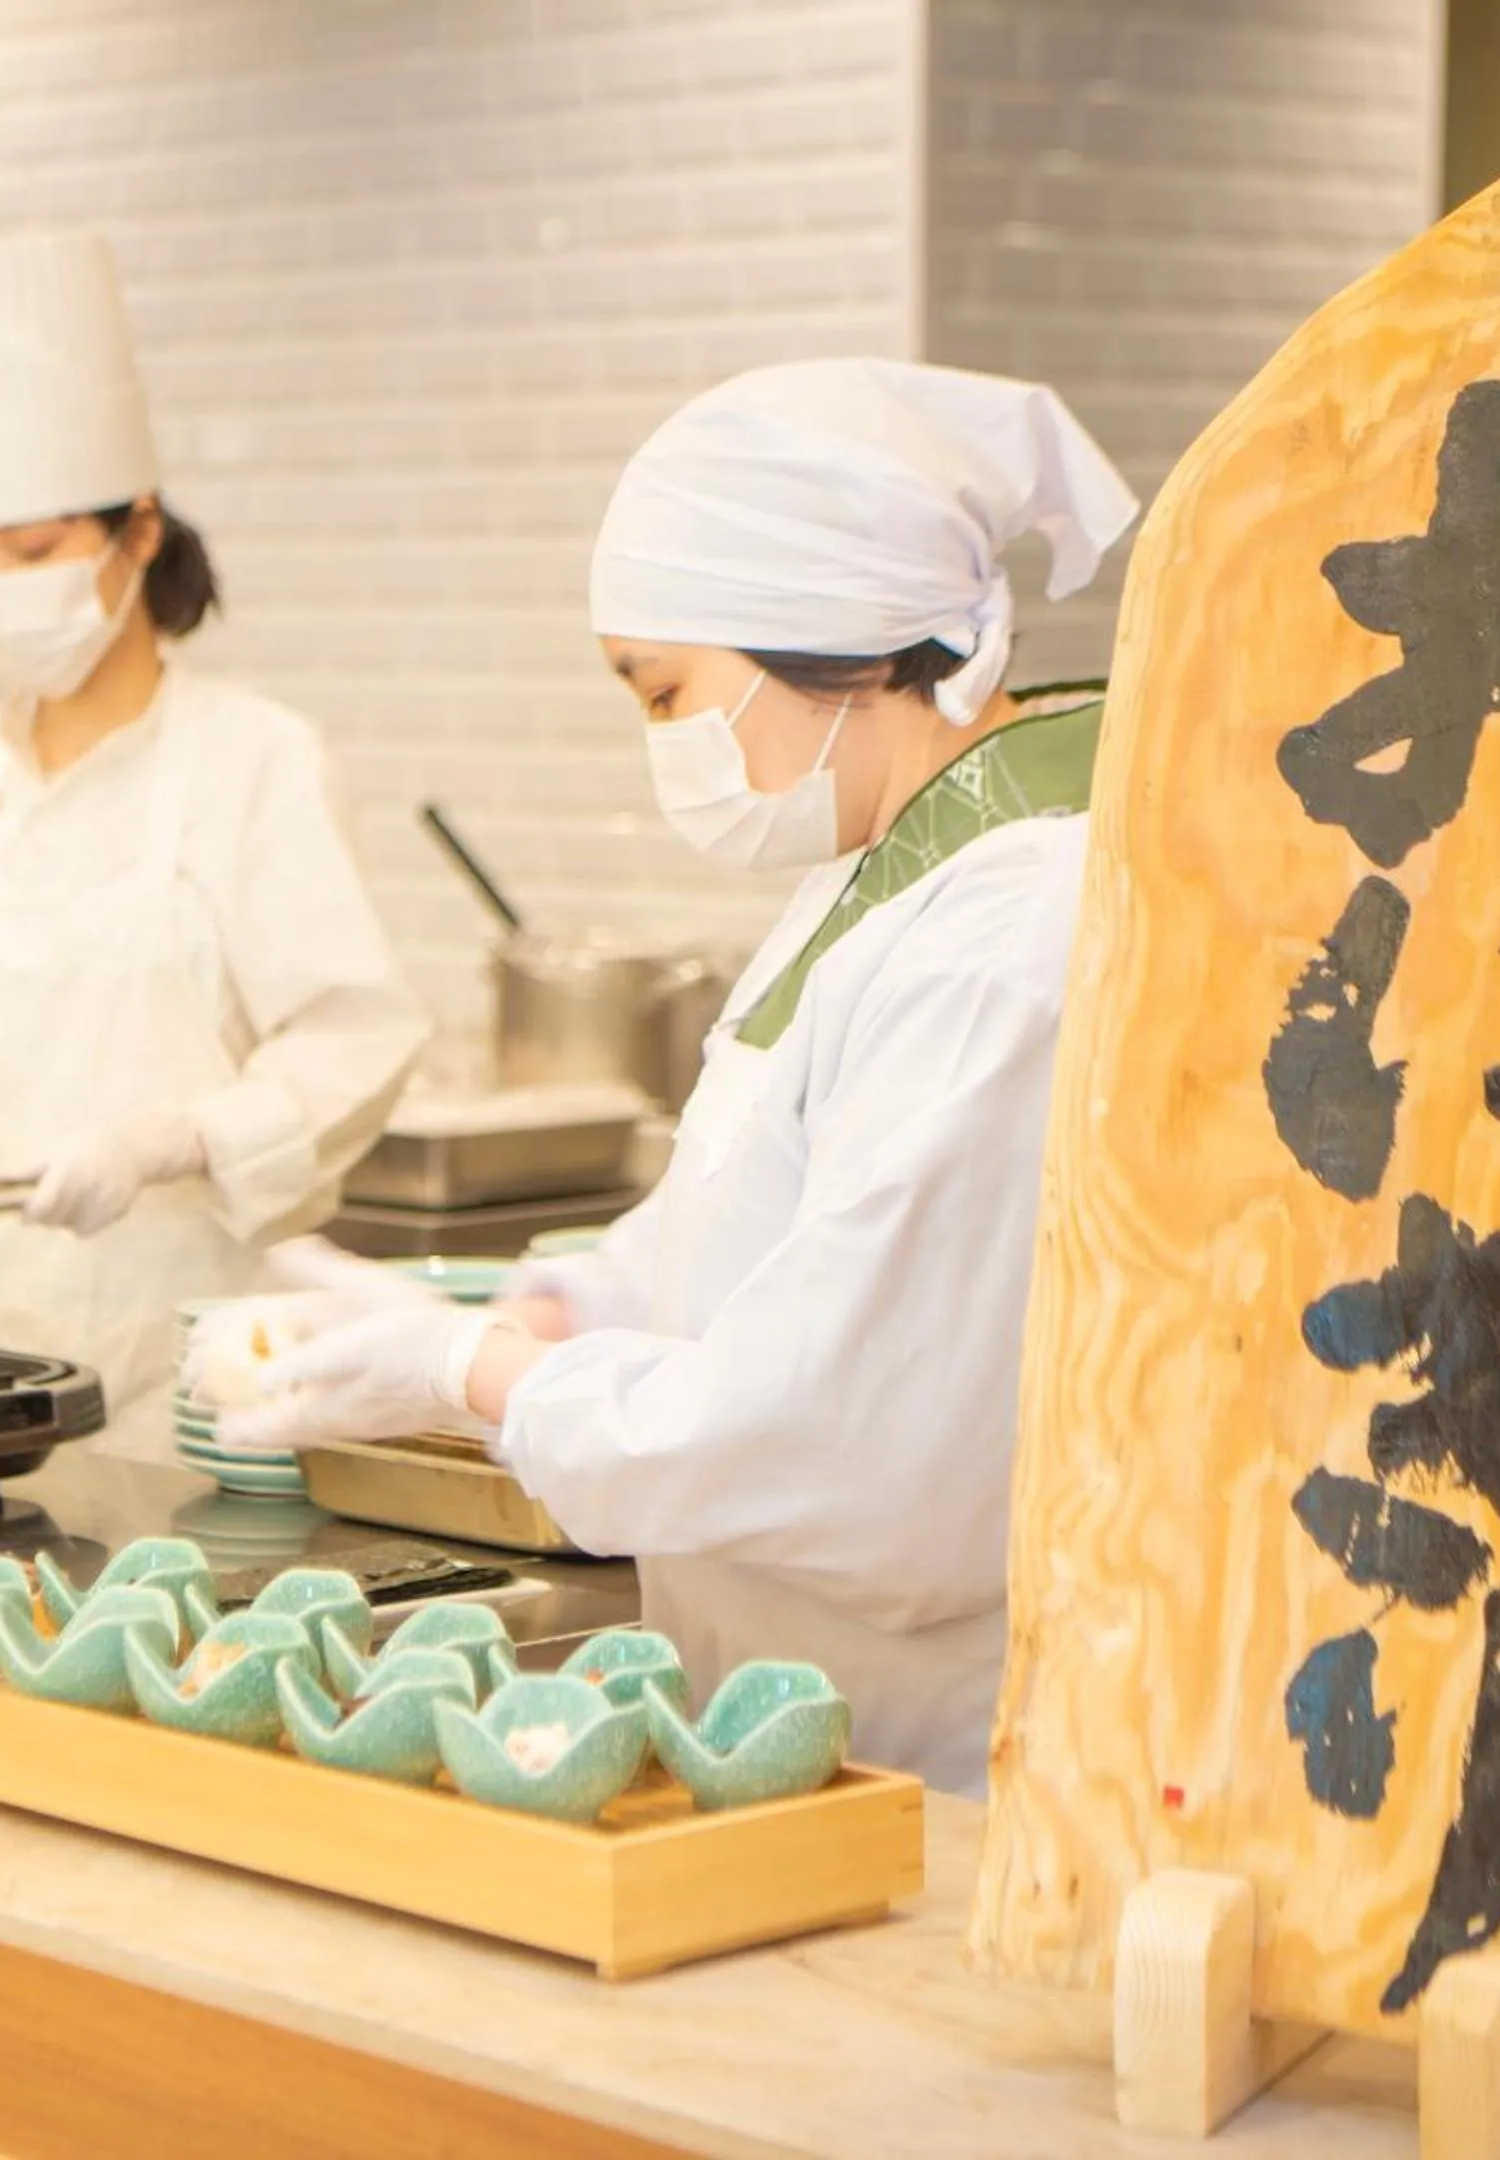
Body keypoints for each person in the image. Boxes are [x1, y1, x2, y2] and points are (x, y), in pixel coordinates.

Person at [206, 359, 1138, 1790]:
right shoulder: (878, 869)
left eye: (665, 694)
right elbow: (749, 1231)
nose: (665, 747)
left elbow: (855, 1447)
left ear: (825, 635)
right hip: (794, 1728)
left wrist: (483, 1376)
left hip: (944, 1766)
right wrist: (561, 1305)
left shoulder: (1011, 932)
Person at [0, 230, 427, 1455]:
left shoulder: (256, 762)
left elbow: (356, 1036)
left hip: (200, 1376)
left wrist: (174, 1137)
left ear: (137, 532)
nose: (2, 584)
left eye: (36, 550)